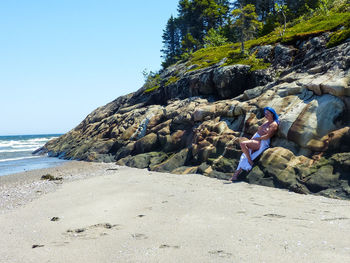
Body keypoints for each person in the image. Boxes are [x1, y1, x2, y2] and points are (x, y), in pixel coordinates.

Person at [229, 107, 279, 181]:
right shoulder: (266, 122)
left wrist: (258, 139)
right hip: (256, 139)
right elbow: (258, 131)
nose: (266, 115)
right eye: (265, 113)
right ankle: (235, 175)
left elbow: (268, 136)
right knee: (244, 156)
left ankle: (250, 161)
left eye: (267, 114)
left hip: (261, 141)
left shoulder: (273, 124)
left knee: (243, 144)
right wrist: (254, 138)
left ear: (272, 114)